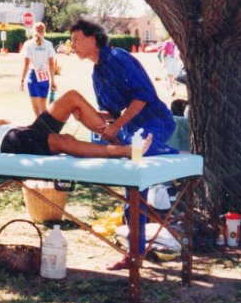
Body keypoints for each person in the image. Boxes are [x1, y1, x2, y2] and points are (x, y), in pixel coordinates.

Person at [70, 19, 178, 271]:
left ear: (92, 39)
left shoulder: (119, 57)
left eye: (76, 39)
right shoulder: (96, 72)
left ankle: (173, 156)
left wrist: (116, 126)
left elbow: (142, 98)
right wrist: (86, 116)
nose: (72, 45)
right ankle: (133, 254)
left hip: (156, 123)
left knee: (139, 157)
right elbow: (110, 112)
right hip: (132, 136)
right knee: (133, 195)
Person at [0, 90, 153, 160]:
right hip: (11, 142)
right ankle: (126, 150)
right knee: (65, 142)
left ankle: (117, 140)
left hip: (20, 134)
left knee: (71, 99)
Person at [20, 22, 58, 116]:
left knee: (36, 109)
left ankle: (40, 129)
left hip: (33, 76)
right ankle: (44, 128)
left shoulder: (28, 44)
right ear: (44, 31)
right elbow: (52, 64)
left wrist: (22, 80)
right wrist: (53, 81)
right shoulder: (48, 44)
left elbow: (26, 64)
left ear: (33, 30)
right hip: (45, 77)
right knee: (43, 108)